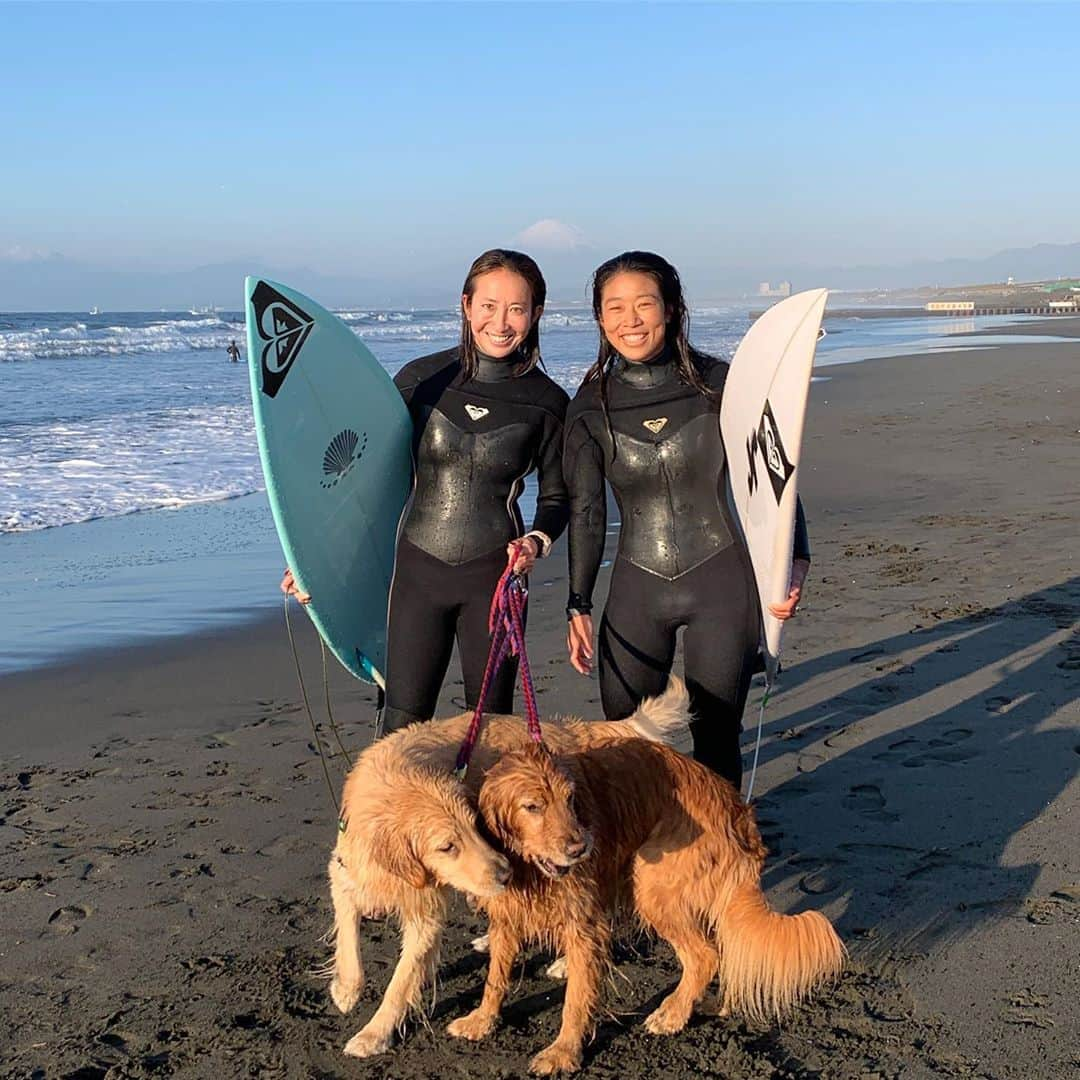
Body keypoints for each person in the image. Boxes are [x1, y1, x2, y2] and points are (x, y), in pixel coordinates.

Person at [283, 249, 569, 733]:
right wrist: (310, 555)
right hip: (418, 572)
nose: (500, 322)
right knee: (402, 720)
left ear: (536, 314)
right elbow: (363, 480)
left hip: (494, 579)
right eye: (488, 306)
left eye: (516, 309)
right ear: (466, 305)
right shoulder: (421, 382)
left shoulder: (548, 403)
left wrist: (536, 542)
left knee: (492, 728)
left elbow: (559, 498)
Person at [562, 251, 810, 788]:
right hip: (636, 588)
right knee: (628, 740)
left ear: (671, 309)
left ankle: (720, 858)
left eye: (644, 304)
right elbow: (586, 512)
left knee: (717, 734)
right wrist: (577, 603)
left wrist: (794, 563)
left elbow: (775, 474)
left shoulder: (722, 386)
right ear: (600, 319)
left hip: (720, 581)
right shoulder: (589, 407)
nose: (630, 320)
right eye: (615, 308)